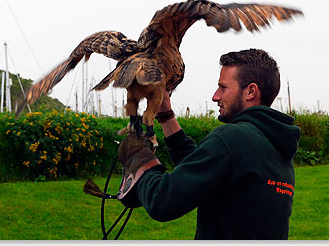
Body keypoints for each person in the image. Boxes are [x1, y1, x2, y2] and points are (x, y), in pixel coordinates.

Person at [120, 48, 301, 240]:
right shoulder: (278, 148)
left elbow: (163, 201)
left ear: (250, 91)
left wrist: (140, 160)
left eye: (223, 87)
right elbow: (201, 169)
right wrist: (166, 114)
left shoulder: (232, 138)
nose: (215, 96)